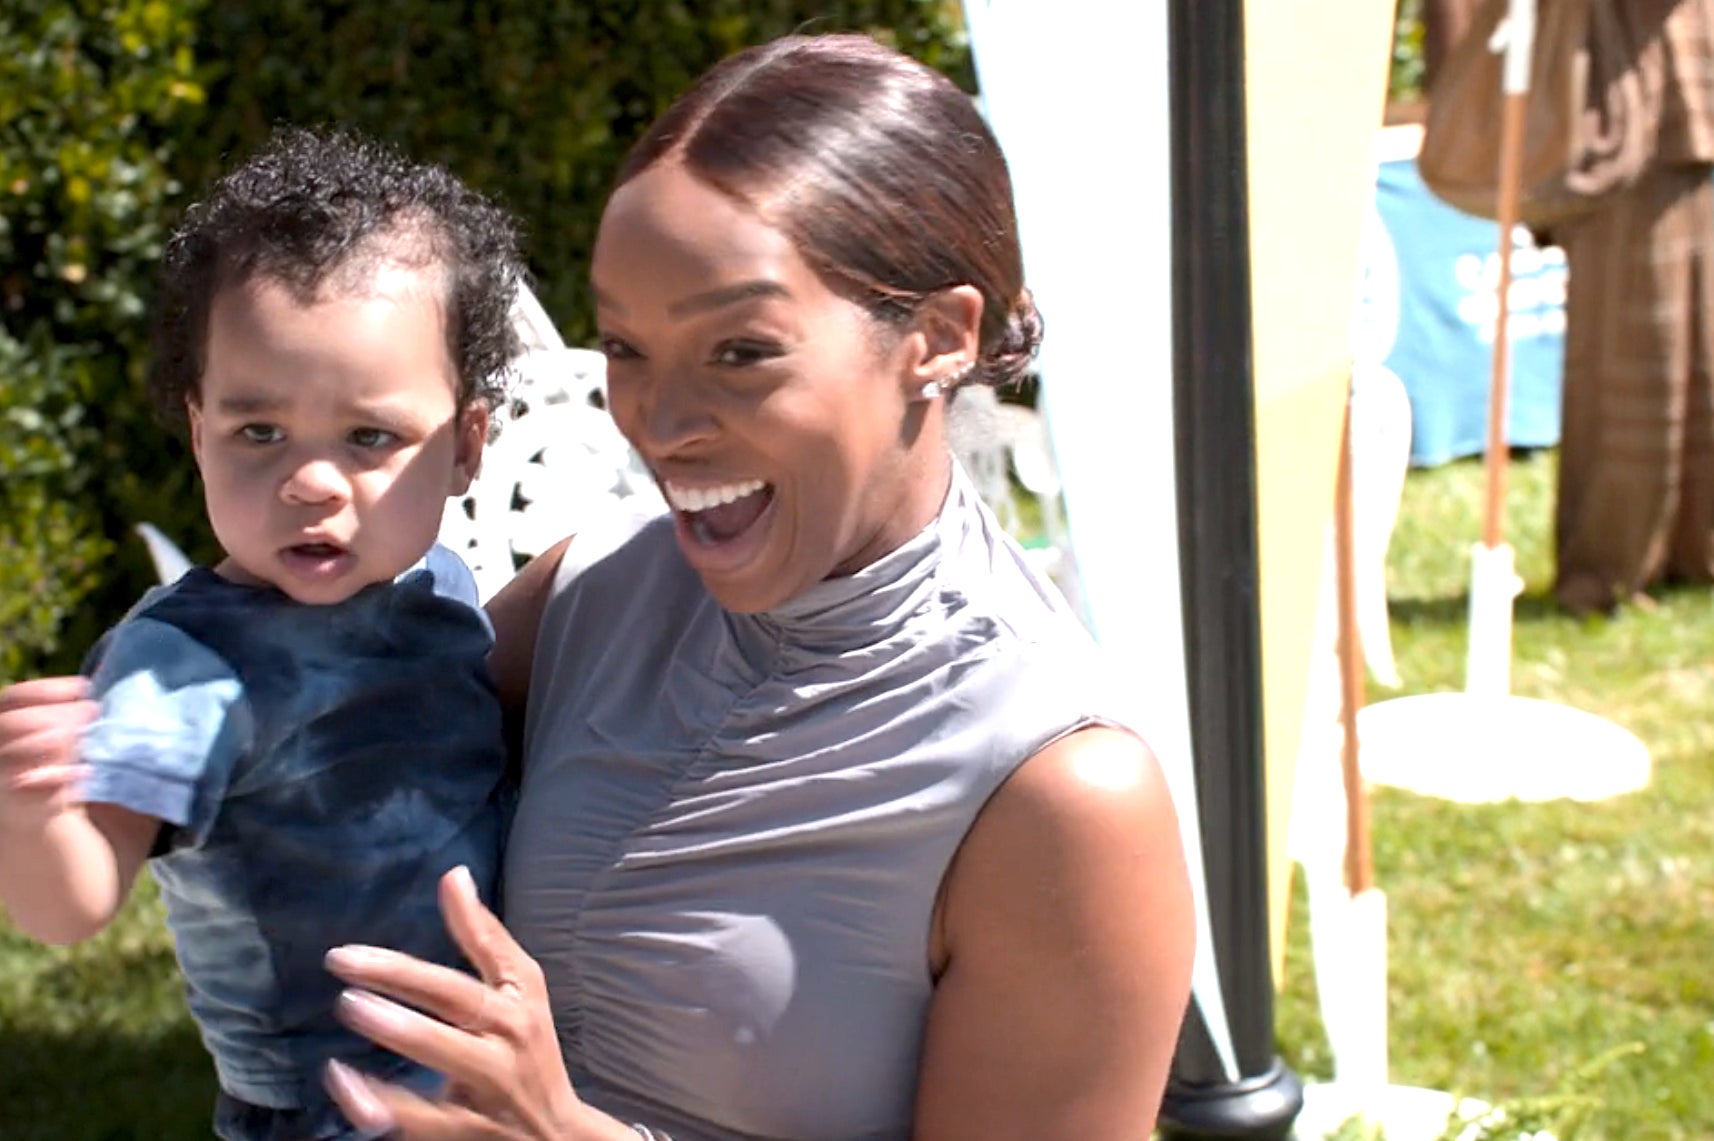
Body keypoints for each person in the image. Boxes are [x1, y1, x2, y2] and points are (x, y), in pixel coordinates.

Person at [0, 33, 1197, 1141]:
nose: (660, 426)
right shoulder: (605, 584)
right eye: (626, 347)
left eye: (741, 351)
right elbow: (305, 741)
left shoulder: (1061, 795)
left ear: (936, 336)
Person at [0, 127, 522, 1140]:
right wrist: (32, 818)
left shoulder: (444, 592)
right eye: (258, 432)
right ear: (198, 432)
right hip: (331, 1112)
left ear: (464, 447)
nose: (309, 482)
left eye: (369, 437)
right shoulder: (189, 668)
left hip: (492, 1078)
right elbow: (74, 907)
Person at [1548, 0, 1714, 613]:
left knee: (1702, 362)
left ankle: (1693, 548)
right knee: (1634, 367)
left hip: (1692, 106)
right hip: (1625, 127)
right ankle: (1611, 563)